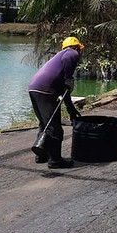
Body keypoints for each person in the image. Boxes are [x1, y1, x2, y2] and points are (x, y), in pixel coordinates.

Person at [28, 36, 84, 168]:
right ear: (77, 47)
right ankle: (55, 160)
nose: (79, 52)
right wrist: (69, 78)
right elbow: (66, 82)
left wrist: (71, 110)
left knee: (45, 124)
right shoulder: (71, 53)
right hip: (45, 90)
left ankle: (42, 155)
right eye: (79, 49)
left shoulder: (58, 58)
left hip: (34, 88)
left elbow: (64, 92)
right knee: (54, 128)